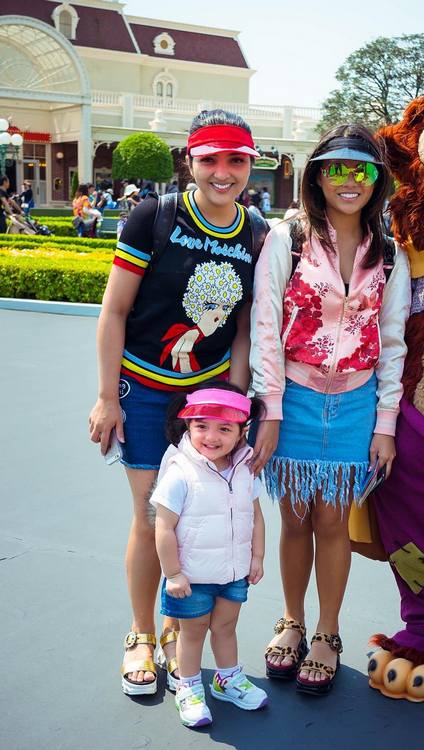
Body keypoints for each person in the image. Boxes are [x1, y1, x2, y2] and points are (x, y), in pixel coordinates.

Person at [88, 109, 266, 698]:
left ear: (251, 163)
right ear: (189, 161)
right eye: (210, 159)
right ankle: (142, 632)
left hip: (208, 397)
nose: (223, 172)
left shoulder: (256, 232)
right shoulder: (154, 216)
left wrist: (235, 403)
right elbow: (114, 311)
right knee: (152, 516)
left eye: (236, 160)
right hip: (142, 391)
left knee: (200, 515)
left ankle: (175, 623)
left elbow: (243, 328)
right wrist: (106, 397)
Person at [250, 124, 411, 694]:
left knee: (332, 522)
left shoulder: (389, 252)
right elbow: (265, 326)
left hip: (355, 403)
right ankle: (291, 621)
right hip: (293, 398)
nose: (349, 180)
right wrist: (270, 410)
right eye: (335, 167)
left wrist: (386, 425)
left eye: (361, 169)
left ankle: (327, 631)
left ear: (377, 180)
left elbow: (393, 342)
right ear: (317, 176)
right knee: (295, 519)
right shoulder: (287, 239)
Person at [152, 382, 267, 727]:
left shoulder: (245, 468)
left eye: (224, 429)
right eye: (202, 426)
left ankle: (227, 679)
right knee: (193, 632)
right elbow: (163, 527)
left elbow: (255, 515)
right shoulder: (180, 471)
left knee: (226, 626)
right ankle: (188, 688)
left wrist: (256, 558)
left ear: (242, 431)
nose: (212, 437)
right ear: (188, 425)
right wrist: (173, 574)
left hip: (233, 573)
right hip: (191, 577)